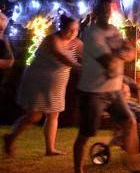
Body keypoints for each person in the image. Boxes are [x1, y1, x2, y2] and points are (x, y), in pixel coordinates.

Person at [72, 0, 140, 173]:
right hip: (93, 91)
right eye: (102, 10)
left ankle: (135, 169)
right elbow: (109, 63)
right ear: (95, 13)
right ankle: (78, 172)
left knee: (130, 122)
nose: (106, 13)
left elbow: (131, 52)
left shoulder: (113, 31)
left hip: (113, 90)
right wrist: (122, 52)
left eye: (108, 10)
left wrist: (120, 52)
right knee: (86, 134)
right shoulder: (91, 34)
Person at [3, 15, 82, 157]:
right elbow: (63, 59)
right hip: (37, 81)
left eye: (76, 30)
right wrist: (83, 68)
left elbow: (89, 55)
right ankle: (11, 137)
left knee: (54, 114)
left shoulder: (76, 42)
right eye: (69, 30)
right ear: (61, 28)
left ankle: (50, 149)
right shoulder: (52, 40)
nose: (73, 33)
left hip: (57, 83)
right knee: (34, 116)